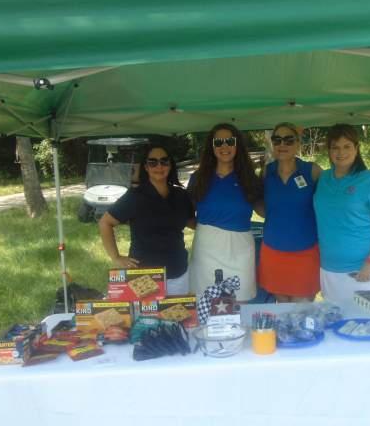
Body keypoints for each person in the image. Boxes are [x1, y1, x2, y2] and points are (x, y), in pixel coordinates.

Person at [99, 143, 195, 295]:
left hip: (178, 272)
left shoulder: (181, 196)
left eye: (164, 161)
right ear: (146, 167)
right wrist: (116, 257)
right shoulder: (135, 196)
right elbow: (105, 222)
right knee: (146, 312)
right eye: (153, 162)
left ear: (170, 165)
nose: (159, 166)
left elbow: (191, 222)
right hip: (144, 274)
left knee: (177, 311)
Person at [314, 124, 370, 303]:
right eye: (335, 147)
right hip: (329, 268)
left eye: (347, 146)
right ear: (329, 150)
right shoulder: (323, 178)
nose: (341, 152)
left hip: (362, 269)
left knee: (364, 319)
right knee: (334, 317)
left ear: (356, 148)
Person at [188, 123, 262, 300]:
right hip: (206, 249)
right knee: (205, 303)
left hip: (240, 249)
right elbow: (186, 215)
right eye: (218, 142)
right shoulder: (198, 178)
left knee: (239, 300)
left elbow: (265, 210)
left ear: (237, 145)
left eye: (229, 141)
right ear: (212, 146)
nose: (224, 146)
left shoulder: (249, 178)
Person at [257, 122, 322, 302]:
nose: (282, 144)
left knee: (302, 310)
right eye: (277, 140)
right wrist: (276, 216)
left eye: (288, 140)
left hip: (305, 252)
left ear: (298, 143)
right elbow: (258, 202)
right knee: (283, 309)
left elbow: (330, 202)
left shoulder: (313, 171)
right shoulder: (266, 172)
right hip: (273, 252)